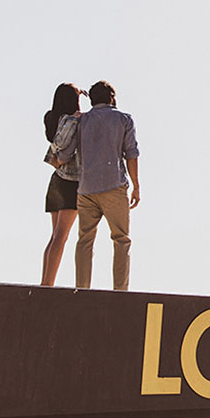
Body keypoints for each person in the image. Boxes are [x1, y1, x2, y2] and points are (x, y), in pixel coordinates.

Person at [57, 80, 140, 291]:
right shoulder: (123, 119)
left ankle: (82, 289)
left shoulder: (82, 121)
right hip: (114, 186)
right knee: (121, 240)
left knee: (84, 241)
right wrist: (136, 186)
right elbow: (131, 154)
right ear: (112, 97)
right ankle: (120, 292)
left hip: (86, 190)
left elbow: (67, 154)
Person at [41, 83, 83, 286]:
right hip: (70, 182)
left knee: (55, 236)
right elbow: (62, 143)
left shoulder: (51, 118)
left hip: (56, 180)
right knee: (61, 236)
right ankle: (48, 285)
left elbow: (53, 151)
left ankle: (45, 282)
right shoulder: (72, 121)